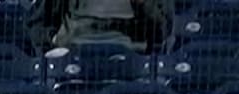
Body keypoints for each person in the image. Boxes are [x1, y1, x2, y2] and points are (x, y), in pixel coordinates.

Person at [28, 0, 173, 54]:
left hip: (129, 60)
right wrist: (51, 43)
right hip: (72, 58)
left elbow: (163, 30)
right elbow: (37, 24)